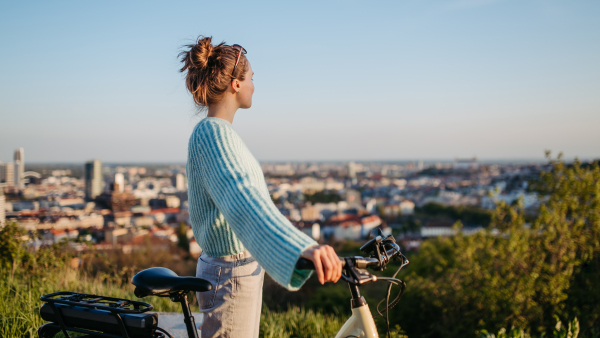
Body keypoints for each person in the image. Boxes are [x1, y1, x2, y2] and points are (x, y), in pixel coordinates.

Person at [180, 36, 343, 338]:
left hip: (235, 270)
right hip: (230, 273)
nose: (255, 84)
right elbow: (241, 198)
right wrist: (302, 246)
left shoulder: (219, 134)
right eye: (252, 77)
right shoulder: (212, 134)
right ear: (236, 84)